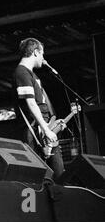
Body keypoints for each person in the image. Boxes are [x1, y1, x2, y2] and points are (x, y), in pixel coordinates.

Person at [13, 38, 65, 181]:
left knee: (59, 175)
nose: (43, 58)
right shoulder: (21, 72)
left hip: (43, 129)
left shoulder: (31, 74)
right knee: (41, 178)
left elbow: (41, 104)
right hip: (34, 131)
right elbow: (31, 103)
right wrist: (46, 129)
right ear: (36, 52)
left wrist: (52, 125)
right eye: (42, 54)